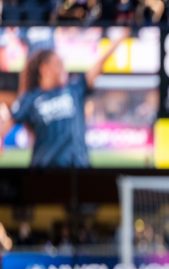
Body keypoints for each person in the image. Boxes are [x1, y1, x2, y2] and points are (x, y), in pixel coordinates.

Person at [0, 31, 127, 167]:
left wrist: (122, 37)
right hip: (46, 170)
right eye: (58, 64)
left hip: (79, 169)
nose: (63, 68)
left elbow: (99, 64)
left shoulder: (75, 89)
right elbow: (8, 124)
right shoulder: (31, 99)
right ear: (44, 69)